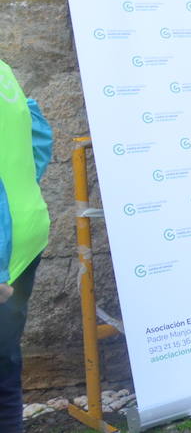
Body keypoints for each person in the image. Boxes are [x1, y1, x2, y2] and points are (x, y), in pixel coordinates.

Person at [0, 60, 51, 429]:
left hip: (4, 247)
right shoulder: (3, 69)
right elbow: (39, 136)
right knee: (4, 361)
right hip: (25, 230)